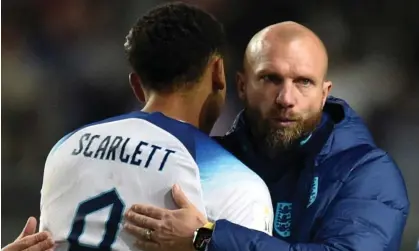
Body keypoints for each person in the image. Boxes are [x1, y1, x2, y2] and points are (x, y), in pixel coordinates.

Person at [123, 21, 410, 251]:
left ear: (324, 94)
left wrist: (207, 238)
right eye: (271, 79)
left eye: (303, 82)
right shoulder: (207, 161)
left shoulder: (366, 172)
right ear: (242, 86)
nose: (286, 98)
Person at [38, 2, 273, 251]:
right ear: (218, 72)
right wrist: (202, 238)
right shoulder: (236, 183)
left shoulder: (65, 148)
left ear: (137, 85)